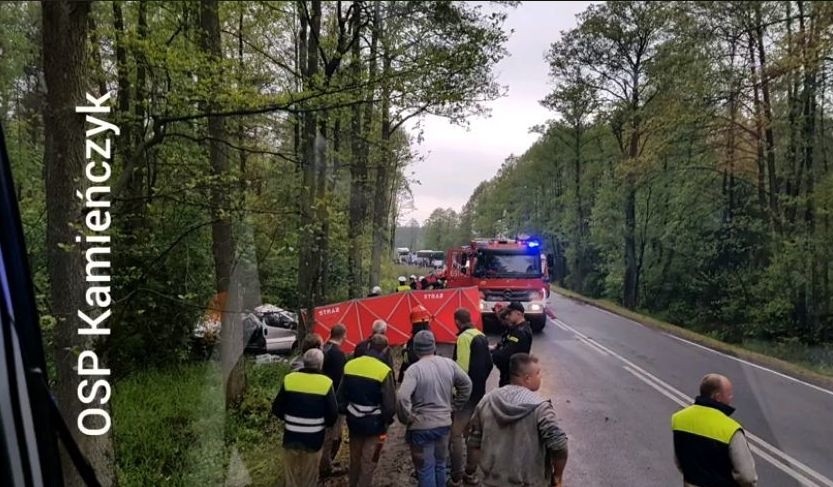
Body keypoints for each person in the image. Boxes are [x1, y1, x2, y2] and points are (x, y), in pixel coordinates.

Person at [467, 353, 568, 487]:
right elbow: (559, 445)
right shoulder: (540, 407)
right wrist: (557, 476)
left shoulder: (488, 400)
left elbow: (474, 443)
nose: (541, 376)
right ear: (527, 378)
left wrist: (474, 472)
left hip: (490, 481)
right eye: (538, 373)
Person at [397, 330, 472, 487]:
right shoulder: (449, 364)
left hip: (421, 427)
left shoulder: (414, 370)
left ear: (416, 349)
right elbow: (467, 385)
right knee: (440, 465)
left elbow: (402, 397)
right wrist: (455, 406)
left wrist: (407, 418)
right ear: (434, 346)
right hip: (444, 424)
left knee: (425, 469)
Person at [672, 374, 758, 487]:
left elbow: (679, 461)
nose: (731, 397)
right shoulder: (731, 429)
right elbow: (747, 477)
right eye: (729, 394)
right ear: (717, 397)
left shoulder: (679, 418)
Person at [271, 348, 338, 487]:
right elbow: (332, 415)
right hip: (313, 440)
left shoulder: (290, 379)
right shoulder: (326, 383)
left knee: (290, 479)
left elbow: (276, 408)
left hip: (290, 438)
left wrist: (291, 420)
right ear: (321, 364)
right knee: (309, 478)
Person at [338, 334, 397, 487]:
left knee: (355, 461)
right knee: (369, 463)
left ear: (369, 346)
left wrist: (348, 410)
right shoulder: (384, 371)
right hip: (375, 425)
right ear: (385, 350)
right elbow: (390, 404)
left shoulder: (350, 365)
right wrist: (386, 420)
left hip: (354, 423)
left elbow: (340, 396)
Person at [449, 308, 493, 486]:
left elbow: (461, 369)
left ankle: (456, 475)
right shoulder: (481, 336)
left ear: (457, 321)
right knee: (474, 434)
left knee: (455, 434)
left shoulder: (464, 338)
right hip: (479, 393)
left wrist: (455, 392)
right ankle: (471, 472)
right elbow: (489, 364)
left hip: (465, 395)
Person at [320, 324, 349, 477]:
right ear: (342, 335)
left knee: (328, 433)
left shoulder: (324, 349)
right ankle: (326, 465)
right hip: (333, 400)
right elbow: (340, 381)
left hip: (320, 396)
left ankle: (327, 461)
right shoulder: (338, 354)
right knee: (333, 435)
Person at [491, 301, 533, 387]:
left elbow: (506, 354)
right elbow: (505, 340)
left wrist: (493, 355)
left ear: (519, 314)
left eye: (510, 313)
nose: (507, 316)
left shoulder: (520, 332)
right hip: (509, 374)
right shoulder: (515, 328)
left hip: (513, 376)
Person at [399, 305, 432, 383]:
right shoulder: (431, 337)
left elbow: (410, 359)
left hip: (415, 377)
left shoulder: (414, 340)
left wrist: (404, 351)